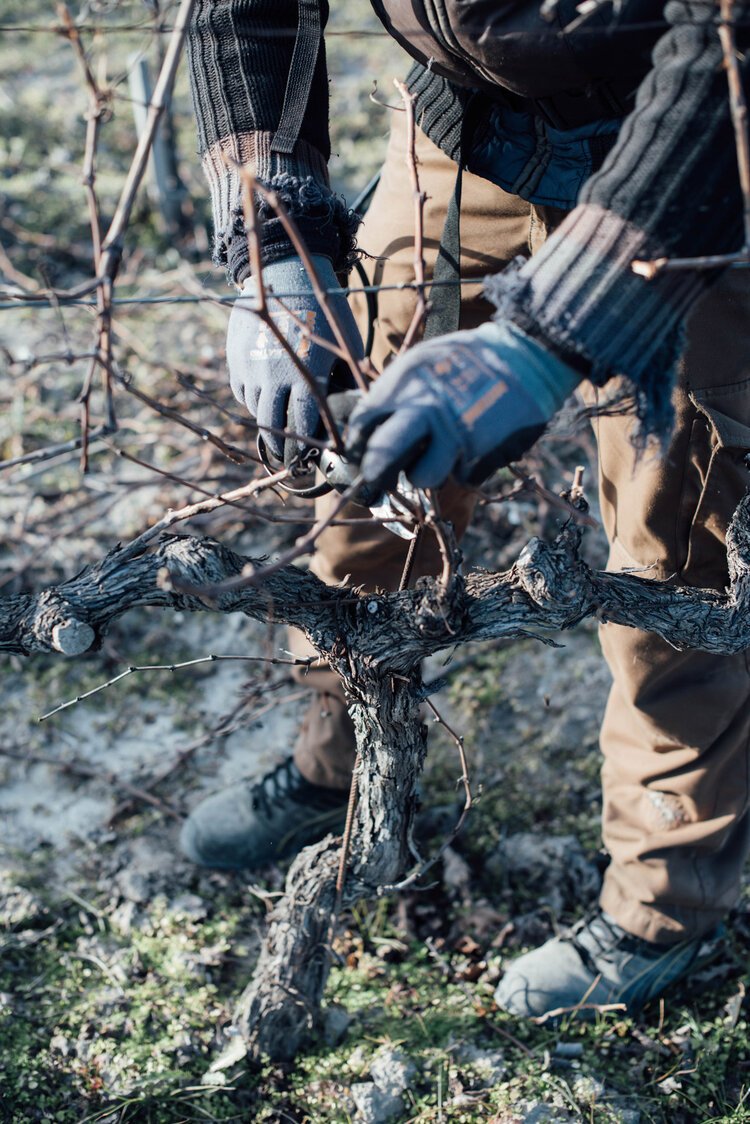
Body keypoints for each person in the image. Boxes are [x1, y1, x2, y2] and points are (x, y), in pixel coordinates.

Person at [180, 0, 750, 1019]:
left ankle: (665, 904)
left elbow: (732, 44)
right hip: (466, 133)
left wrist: (552, 335)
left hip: (702, 157)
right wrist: (274, 235)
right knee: (368, 464)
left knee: (675, 560)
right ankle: (342, 755)